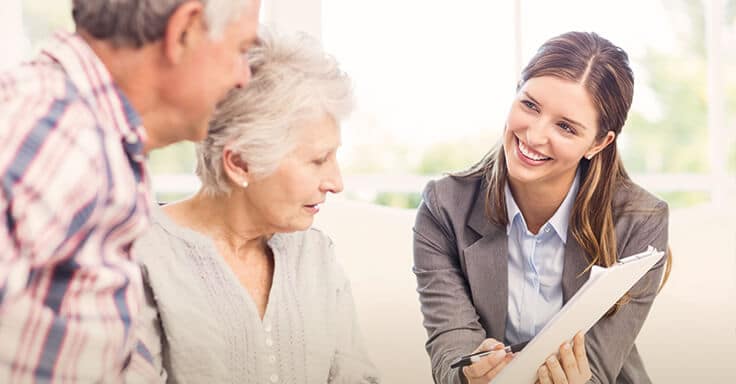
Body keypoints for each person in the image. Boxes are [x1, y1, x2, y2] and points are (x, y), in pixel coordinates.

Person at [0, 0, 259, 382]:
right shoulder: (55, 133)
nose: (244, 78)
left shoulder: (96, 136)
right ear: (184, 30)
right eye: (241, 50)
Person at [412, 31, 672, 384]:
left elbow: (599, 367)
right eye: (530, 105)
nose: (534, 136)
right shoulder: (445, 208)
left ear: (599, 142)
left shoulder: (640, 222)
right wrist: (468, 373)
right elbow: (450, 347)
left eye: (565, 127)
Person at [126, 30, 381, 384]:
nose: (336, 183)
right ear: (240, 163)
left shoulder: (315, 255)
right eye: (318, 160)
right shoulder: (141, 255)